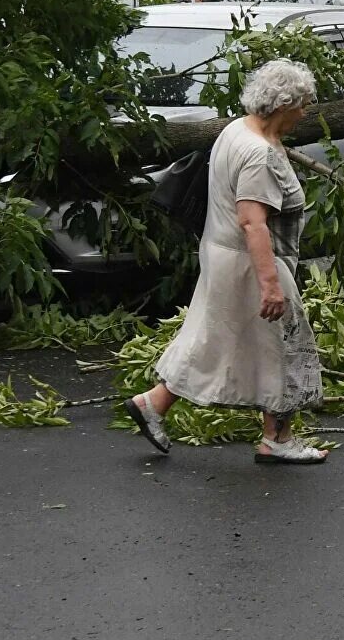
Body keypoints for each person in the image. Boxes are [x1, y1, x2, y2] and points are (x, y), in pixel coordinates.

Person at [123, 59, 328, 465]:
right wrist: (271, 285)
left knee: (214, 340)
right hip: (251, 264)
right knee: (286, 345)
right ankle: (278, 439)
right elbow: (253, 223)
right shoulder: (257, 154)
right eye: (302, 104)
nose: (305, 112)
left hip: (224, 256)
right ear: (283, 104)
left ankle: (153, 404)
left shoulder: (237, 130)